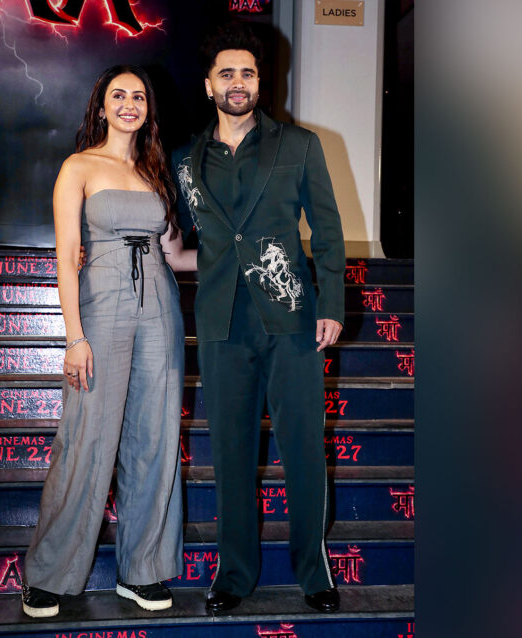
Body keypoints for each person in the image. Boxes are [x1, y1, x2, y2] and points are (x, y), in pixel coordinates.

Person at [172, 23, 346, 613]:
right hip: (221, 323)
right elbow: (186, 239)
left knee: (304, 449)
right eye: (227, 73)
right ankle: (234, 574)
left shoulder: (299, 146)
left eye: (247, 72)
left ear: (259, 80)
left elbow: (328, 231)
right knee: (231, 454)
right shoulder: (185, 161)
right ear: (209, 85)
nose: (238, 82)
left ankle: (314, 572)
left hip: (293, 320)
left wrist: (332, 305)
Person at [22, 65, 196, 618]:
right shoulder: (78, 166)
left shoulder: (156, 171)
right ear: (102, 107)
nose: (129, 104)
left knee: (155, 438)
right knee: (85, 438)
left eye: (138, 96)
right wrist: (74, 336)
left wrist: (239, 255)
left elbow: (174, 255)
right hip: (101, 307)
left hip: (160, 309)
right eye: (118, 95)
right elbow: (65, 258)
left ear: (148, 109)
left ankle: (141, 571)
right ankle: (49, 573)